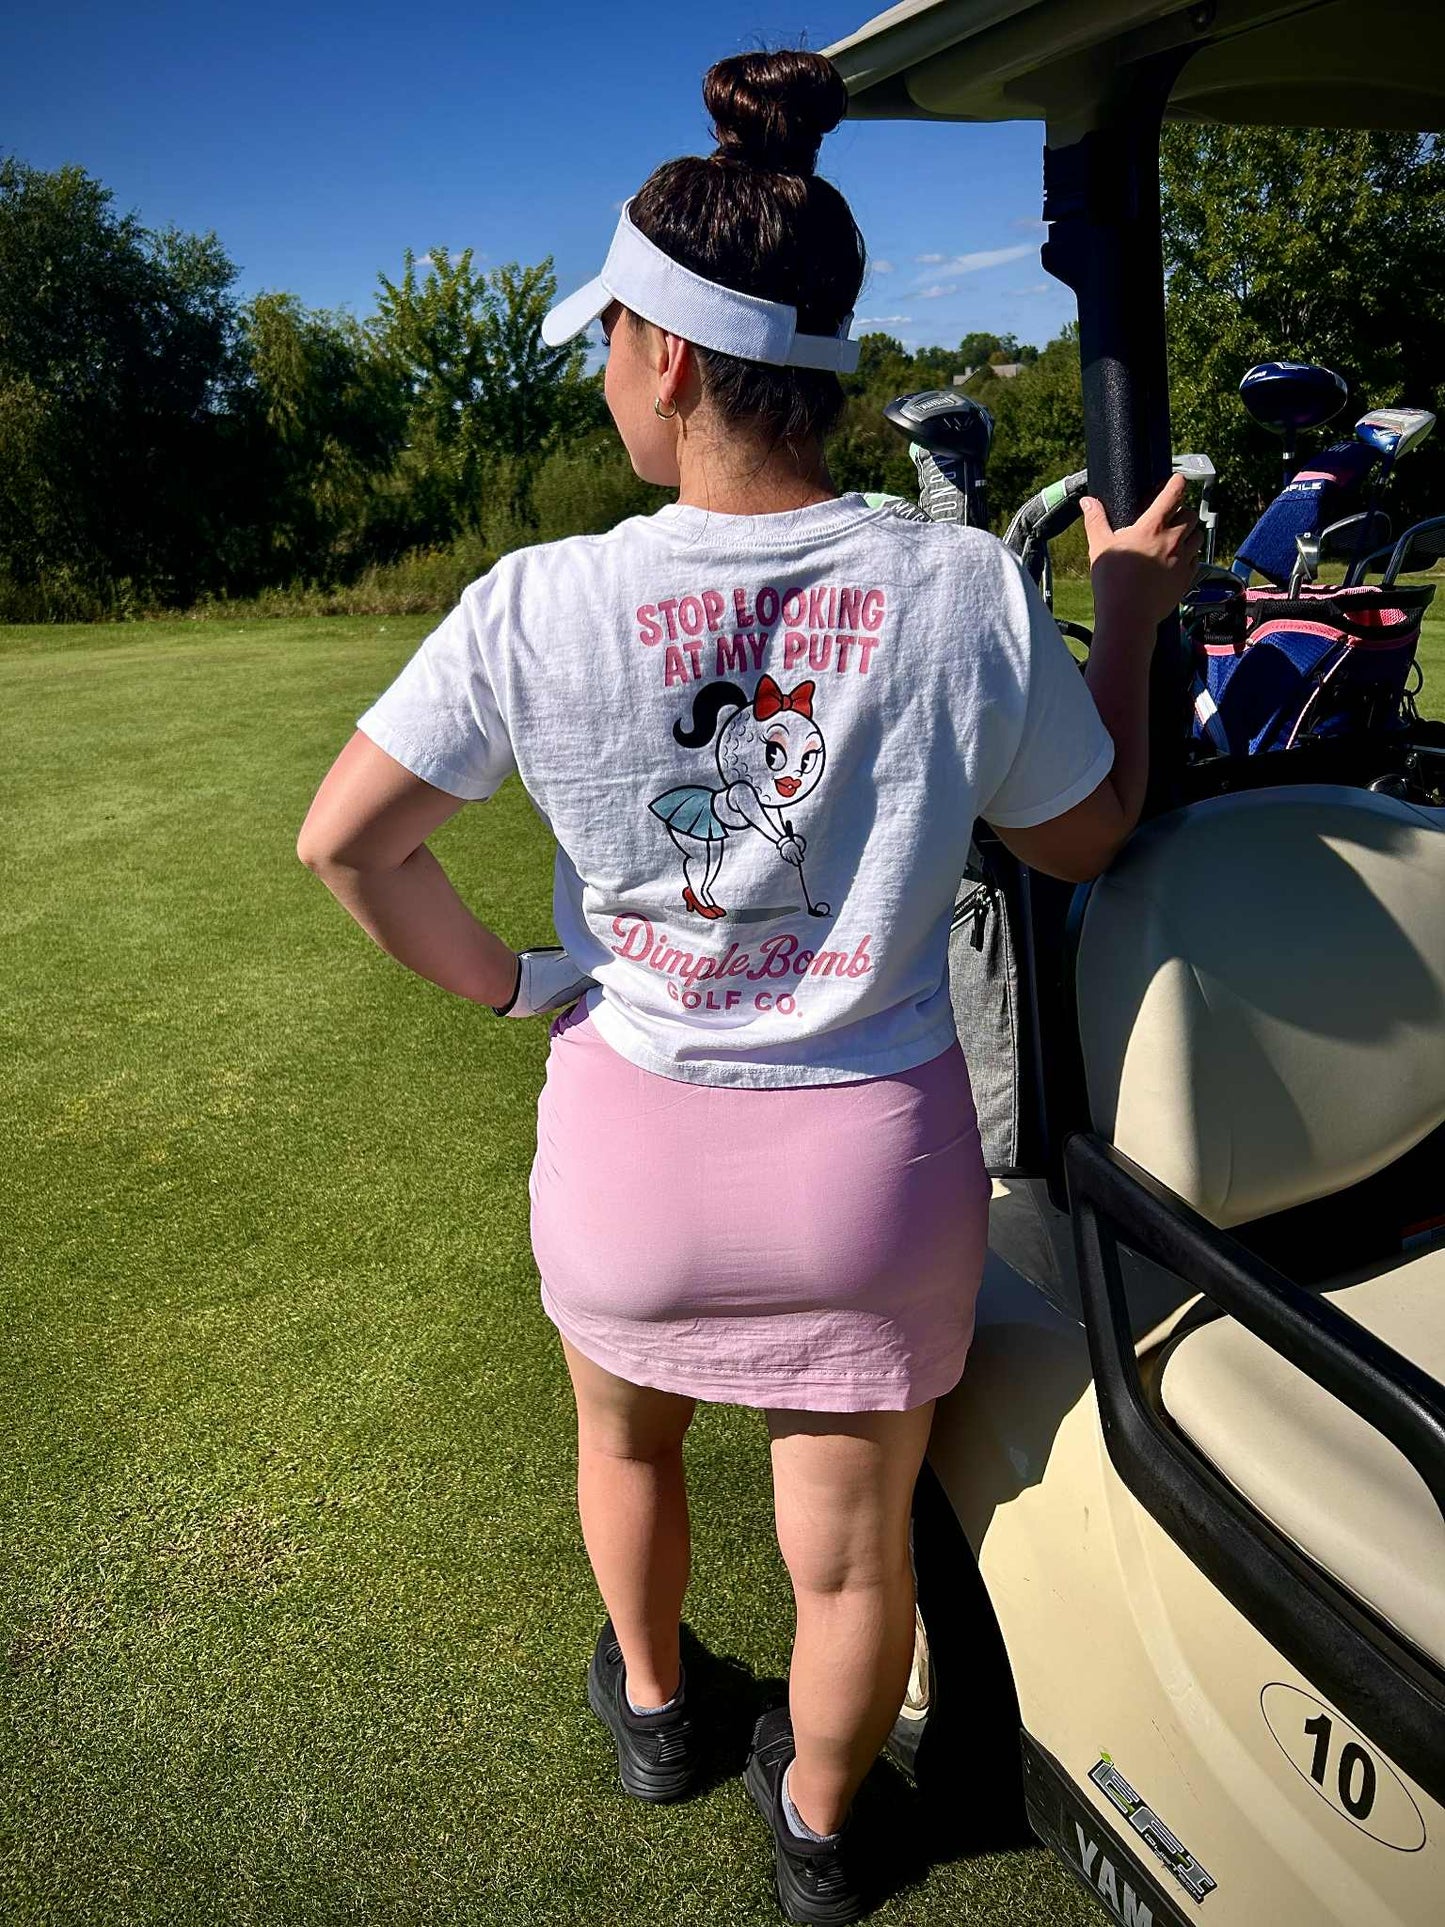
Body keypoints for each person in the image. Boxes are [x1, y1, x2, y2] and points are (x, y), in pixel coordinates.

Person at [295, 47, 1201, 1927]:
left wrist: (512, 984)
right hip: (869, 1165)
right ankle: (817, 1829)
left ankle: (651, 1715)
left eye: (608, 343)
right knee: (851, 1558)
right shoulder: (955, 585)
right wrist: (1122, 608)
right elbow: (1085, 836)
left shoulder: (534, 599)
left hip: (637, 1151)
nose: (606, 373)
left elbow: (348, 847)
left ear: (673, 358)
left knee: (622, 1442)